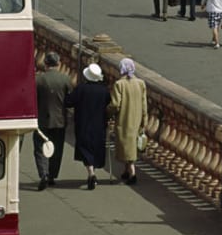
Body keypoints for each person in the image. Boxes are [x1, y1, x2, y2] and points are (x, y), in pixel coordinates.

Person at [65, 62, 111, 190]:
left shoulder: (81, 89)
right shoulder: (104, 90)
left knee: (85, 147)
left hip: (83, 122)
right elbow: (109, 104)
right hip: (99, 124)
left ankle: (91, 172)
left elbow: (69, 102)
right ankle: (93, 172)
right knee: (96, 147)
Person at [33, 53, 71, 191]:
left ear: (46, 63)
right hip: (60, 120)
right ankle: (52, 175)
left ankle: (43, 173)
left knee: (40, 148)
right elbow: (70, 100)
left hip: (42, 120)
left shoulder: (38, 80)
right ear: (58, 63)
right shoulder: (65, 79)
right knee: (56, 148)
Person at [109, 57, 148, 185]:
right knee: (130, 145)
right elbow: (144, 105)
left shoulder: (119, 84)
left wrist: (108, 112)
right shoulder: (140, 83)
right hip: (136, 118)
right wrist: (144, 121)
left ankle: (132, 173)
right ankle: (126, 170)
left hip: (124, 119)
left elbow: (115, 104)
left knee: (126, 147)